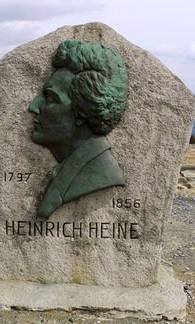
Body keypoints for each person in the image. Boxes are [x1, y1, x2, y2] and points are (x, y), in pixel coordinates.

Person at [28, 39, 128, 220]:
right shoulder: (72, 167)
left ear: (83, 110)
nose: (33, 107)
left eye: (50, 98)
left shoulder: (101, 173)